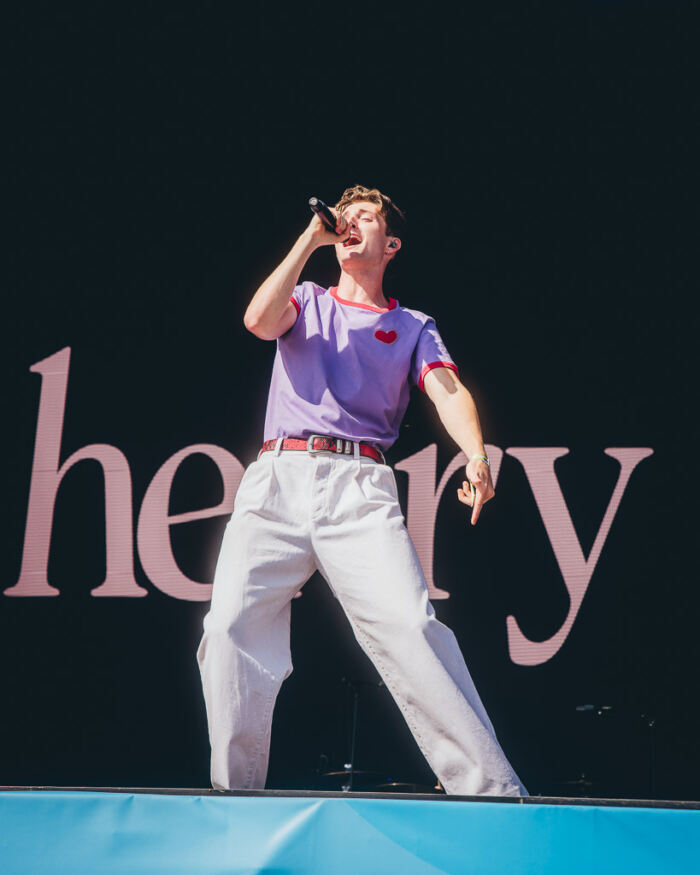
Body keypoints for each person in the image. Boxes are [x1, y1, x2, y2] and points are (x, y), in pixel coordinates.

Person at [197, 185, 527, 797]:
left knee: (408, 625)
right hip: (278, 478)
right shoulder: (306, 300)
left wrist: (477, 455)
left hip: (359, 486)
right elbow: (257, 321)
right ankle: (234, 795)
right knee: (227, 629)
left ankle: (491, 792)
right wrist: (309, 238)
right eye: (342, 220)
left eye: (365, 219)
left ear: (391, 243)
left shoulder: (411, 325)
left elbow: (447, 389)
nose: (350, 226)